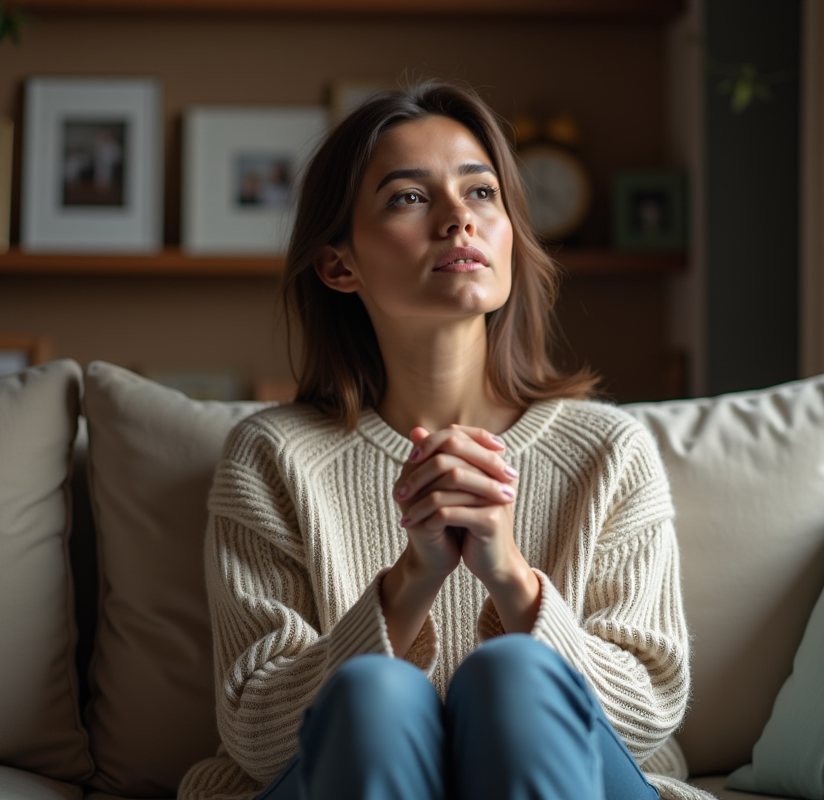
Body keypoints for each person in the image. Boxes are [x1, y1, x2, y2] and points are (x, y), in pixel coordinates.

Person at [179, 82, 708, 800]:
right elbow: (258, 734)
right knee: (374, 694)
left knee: (516, 675)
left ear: (511, 235)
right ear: (339, 264)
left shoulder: (609, 451)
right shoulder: (272, 459)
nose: (459, 218)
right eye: (408, 197)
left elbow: (647, 715)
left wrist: (512, 580)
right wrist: (411, 581)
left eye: (482, 192)